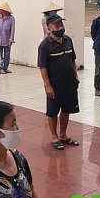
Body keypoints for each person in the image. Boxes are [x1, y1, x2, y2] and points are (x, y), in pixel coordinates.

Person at [37, 13, 80, 151]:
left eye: (62, 25)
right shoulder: (44, 46)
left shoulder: (68, 40)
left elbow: (72, 60)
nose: (61, 28)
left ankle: (63, 135)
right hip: (54, 86)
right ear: (49, 29)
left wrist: (75, 76)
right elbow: (43, 67)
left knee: (66, 110)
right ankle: (54, 137)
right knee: (52, 112)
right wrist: (48, 86)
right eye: (57, 25)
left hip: (69, 83)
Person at [0, 2, 16, 73]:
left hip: (7, 40)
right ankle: (0, 68)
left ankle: (5, 67)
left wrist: (11, 40)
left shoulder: (11, 19)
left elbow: (12, 30)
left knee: (7, 55)